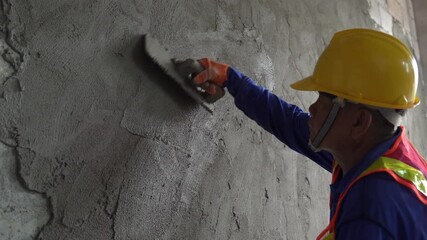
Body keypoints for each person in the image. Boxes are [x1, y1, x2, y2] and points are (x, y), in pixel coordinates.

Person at [174, 28, 427, 239]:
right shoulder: (375, 152)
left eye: (324, 101)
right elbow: (290, 122)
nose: (312, 108)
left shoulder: (370, 208)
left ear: (360, 122)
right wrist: (230, 78)